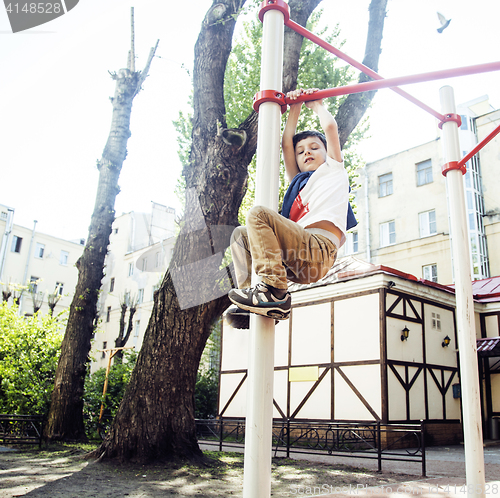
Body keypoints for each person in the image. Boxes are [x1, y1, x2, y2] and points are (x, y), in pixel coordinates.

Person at [226, 88, 355, 329]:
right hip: (295, 258)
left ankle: (274, 292)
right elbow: (287, 144)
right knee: (240, 236)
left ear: (327, 153)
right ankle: (255, 298)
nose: (307, 151)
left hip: (318, 250)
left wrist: (315, 105)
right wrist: (293, 108)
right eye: (301, 150)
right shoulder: (297, 184)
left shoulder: (333, 171)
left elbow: (330, 129)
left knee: (259, 214)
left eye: (314, 147)